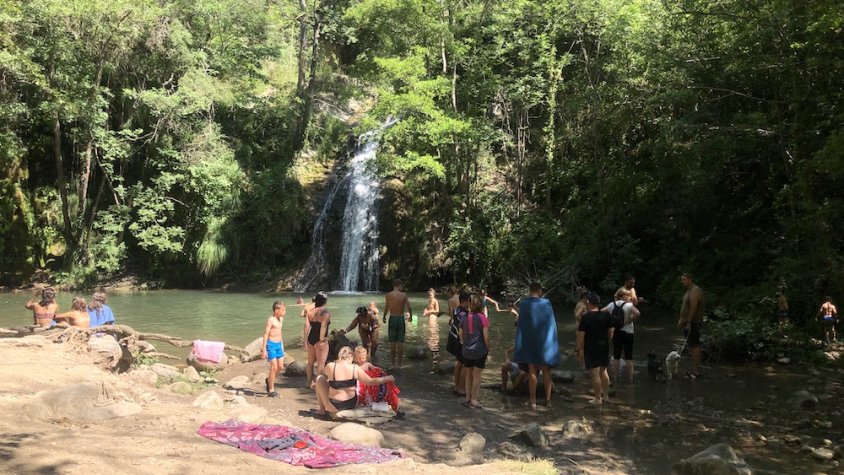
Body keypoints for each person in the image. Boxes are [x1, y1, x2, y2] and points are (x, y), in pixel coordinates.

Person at [312, 346, 395, 419]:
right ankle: (324, 409)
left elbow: (325, 377)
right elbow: (371, 381)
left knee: (320, 378)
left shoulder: (330, 366)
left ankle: (322, 410)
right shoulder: (355, 368)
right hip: (351, 403)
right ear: (351, 356)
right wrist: (388, 378)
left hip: (334, 405)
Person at [514, 282, 561, 409]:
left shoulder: (524, 304)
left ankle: (533, 401)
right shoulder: (546, 303)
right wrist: (552, 343)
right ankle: (548, 400)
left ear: (530, 291)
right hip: (545, 341)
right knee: (546, 370)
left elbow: (522, 325)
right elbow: (551, 324)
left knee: (532, 370)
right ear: (539, 291)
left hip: (530, 341)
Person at [577, 292, 613, 404]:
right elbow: (611, 330)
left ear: (588, 302)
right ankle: (606, 396)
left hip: (591, 347)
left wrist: (578, 349)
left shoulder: (586, 317)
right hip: (604, 346)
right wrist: (608, 341)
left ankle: (598, 399)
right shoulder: (605, 315)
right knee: (604, 371)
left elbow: (581, 335)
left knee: (595, 373)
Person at [602, 288, 641, 383]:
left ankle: (615, 378)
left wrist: (610, 323)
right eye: (628, 296)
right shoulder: (628, 305)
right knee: (629, 356)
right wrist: (628, 321)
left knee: (616, 355)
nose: (630, 297)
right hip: (628, 332)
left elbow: (601, 312)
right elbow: (637, 313)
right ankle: (630, 379)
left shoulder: (611, 305)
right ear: (623, 296)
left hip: (617, 331)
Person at [459, 294, 490, 409]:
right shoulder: (483, 318)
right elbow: (486, 337)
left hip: (467, 350)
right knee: (477, 376)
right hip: (479, 351)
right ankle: (474, 400)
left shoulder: (464, 317)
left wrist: (464, 343)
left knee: (468, 374)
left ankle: (467, 398)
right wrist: (488, 349)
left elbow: (460, 334)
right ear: (480, 305)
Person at [678, 273, 704, 379]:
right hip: (688, 322)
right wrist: (681, 319)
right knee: (692, 346)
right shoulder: (689, 290)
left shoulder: (694, 290)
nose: (682, 282)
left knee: (695, 346)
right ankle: (694, 369)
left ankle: (696, 371)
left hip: (693, 323)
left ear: (690, 279)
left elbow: (694, 307)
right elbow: (686, 307)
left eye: (684, 280)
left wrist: (688, 322)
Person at [383, 279, 413, 369]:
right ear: (399, 285)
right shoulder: (404, 295)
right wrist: (410, 316)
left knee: (392, 342)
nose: (402, 287)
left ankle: (392, 364)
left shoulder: (388, 295)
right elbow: (409, 307)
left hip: (392, 317)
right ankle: (399, 364)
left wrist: (384, 316)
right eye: (402, 286)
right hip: (400, 318)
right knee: (400, 341)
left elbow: (386, 307)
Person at [446, 291, 470, 396]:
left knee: (459, 362)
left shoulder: (457, 310)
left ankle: (456, 386)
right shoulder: (464, 313)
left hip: (454, 338)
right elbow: (464, 328)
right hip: (460, 340)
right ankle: (461, 388)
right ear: (466, 301)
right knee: (465, 364)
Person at [304, 292, 331, 389]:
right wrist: (321, 341)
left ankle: (309, 383)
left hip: (311, 338)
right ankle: (320, 386)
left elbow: (307, 326)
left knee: (310, 363)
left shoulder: (310, 312)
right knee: (321, 364)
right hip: (320, 340)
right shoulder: (326, 313)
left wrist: (305, 341)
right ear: (325, 301)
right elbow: (323, 326)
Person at [261, 301, 286, 398]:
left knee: (280, 367)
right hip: (271, 345)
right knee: (274, 367)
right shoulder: (271, 320)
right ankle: (271, 390)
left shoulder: (281, 319)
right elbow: (266, 334)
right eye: (283, 310)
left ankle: (269, 380)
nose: (285, 312)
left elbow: (280, 333)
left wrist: (282, 346)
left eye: (285, 310)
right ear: (276, 310)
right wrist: (264, 349)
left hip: (279, 344)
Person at [573, 287, 588, 369]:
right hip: (581, 328)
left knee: (580, 347)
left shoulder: (579, 303)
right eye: (588, 298)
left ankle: (582, 366)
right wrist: (583, 321)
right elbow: (577, 315)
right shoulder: (582, 305)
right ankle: (583, 366)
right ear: (584, 297)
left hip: (578, 327)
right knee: (582, 348)